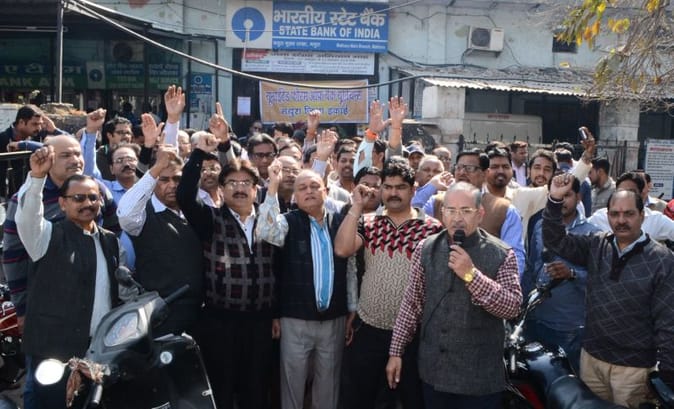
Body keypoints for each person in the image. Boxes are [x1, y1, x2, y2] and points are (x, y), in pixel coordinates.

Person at [386, 182, 522, 409]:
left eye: (466, 211)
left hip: (479, 380)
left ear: (480, 214)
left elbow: (512, 307)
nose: (457, 218)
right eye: (451, 210)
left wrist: (472, 276)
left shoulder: (502, 254)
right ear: (442, 213)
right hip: (434, 374)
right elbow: (412, 304)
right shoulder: (426, 248)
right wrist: (396, 352)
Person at [543, 173, 674, 408]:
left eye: (629, 214)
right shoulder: (597, 244)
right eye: (615, 214)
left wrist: (667, 376)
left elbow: (668, 322)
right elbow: (555, 240)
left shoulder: (662, 260)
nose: (621, 220)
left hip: (633, 371)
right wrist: (554, 200)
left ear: (642, 215)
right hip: (592, 361)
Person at [177, 116, 279, 409]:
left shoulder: (270, 221)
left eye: (246, 183)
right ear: (221, 189)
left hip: (260, 322)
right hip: (220, 321)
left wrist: (276, 314)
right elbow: (185, 196)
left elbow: (279, 270)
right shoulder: (210, 219)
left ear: (256, 189)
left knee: (256, 389)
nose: (239, 188)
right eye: (232, 183)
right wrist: (199, 152)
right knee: (221, 388)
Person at [16, 147, 122, 409]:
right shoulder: (47, 236)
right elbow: (28, 219)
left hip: (97, 351)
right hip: (53, 354)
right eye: (78, 198)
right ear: (63, 203)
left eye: (93, 197)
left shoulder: (109, 241)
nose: (87, 204)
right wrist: (37, 179)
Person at [335, 161, 443, 409]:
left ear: (413, 190)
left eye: (401, 187)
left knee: (412, 400)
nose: (394, 193)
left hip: (412, 335)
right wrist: (356, 207)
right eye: (388, 187)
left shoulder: (432, 229)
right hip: (369, 328)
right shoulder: (368, 222)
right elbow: (342, 249)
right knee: (359, 400)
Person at [3, 113, 119, 330]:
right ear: (49, 159)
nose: (75, 160)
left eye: (78, 154)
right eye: (66, 155)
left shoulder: (98, 190)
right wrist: (22, 309)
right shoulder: (27, 199)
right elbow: (13, 255)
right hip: (49, 305)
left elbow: (116, 232)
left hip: (97, 303)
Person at [256, 164, 348, 409]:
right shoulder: (288, 222)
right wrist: (273, 186)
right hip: (295, 319)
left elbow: (351, 270)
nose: (309, 191)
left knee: (328, 386)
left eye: (314, 186)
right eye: (302, 188)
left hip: (334, 318)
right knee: (292, 385)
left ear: (326, 191)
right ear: (295, 196)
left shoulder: (340, 223)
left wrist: (351, 308)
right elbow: (265, 231)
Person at [117, 146, 203, 337]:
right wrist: (156, 169)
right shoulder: (142, 216)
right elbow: (125, 214)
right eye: (164, 180)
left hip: (201, 314)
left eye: (177, 179)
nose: (172, 185)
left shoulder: (197, 212)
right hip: (161, 315)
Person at [522, 175, 600, 372]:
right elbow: (532, 267)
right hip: (535, 319)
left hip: (568, 327)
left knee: (566, 381)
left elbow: (599, 282)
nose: (563, 201)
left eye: (568, 195)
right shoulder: (540, 226)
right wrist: (522, 305)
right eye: (558, 196)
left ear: (579, 197)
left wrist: (571, 274)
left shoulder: (592, 234)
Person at [0, 104, 65, 198]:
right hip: (9, 196)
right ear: (21, 122)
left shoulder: (39, 135)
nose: (39, 128)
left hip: (36, 191)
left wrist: (54, 130)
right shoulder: (3, 139)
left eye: (40, 124)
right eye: (35, 124)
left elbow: (67, 146)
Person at [97, 117, 133, 181]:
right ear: (109, 135)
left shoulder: (135, 153)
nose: (125, 136)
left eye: (128, 133)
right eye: (120, 133)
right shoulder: (100, 154)